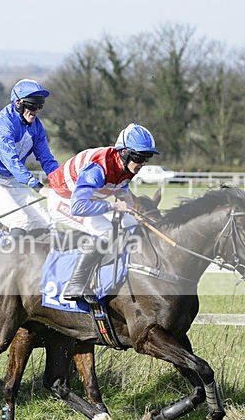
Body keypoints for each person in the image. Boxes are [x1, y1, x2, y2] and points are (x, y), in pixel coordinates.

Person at [45, 123, 160, 301]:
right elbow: (78, 207)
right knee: (105, 231)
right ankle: (76, 284)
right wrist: (113, 207)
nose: (143, 163)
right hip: (64, 200)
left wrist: (132, 208)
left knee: (131, 223)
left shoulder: (126, 165)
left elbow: (122, 188)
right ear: (124, 152)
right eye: (139, 157)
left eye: (147, 158)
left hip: (88, 199)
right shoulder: (97, 168)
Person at [0, 79, 59, 239]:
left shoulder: (37, 127)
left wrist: (62, 181)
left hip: (12, 181)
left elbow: (47, 159)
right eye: (32, 106)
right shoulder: (3, 123)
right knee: (21, 223)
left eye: (39, 107)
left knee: (49, 224)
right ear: (18, 103)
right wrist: (39, 186)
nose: (35, 111)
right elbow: (11, 161)